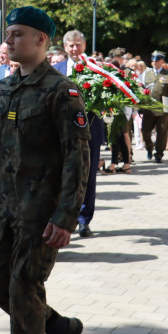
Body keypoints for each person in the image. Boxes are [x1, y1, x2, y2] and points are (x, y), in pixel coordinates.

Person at [0, 6, 89, 334]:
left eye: (18, 34)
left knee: (23, 286)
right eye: (8, 34)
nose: (9, 41)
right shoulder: (4, 89)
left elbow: (78, 159)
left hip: (40, 213)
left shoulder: (61, 91)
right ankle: (60, 327)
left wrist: (66, 216)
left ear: (41, 40)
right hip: (5, 210)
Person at [60, 30, 105, 237]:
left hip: (90, 128)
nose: (75, 49)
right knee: (61, 175)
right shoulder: (56, 69)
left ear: (85, 46)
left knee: (88, 175)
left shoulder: (96, 69)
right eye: (71, 45)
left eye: (78, 44)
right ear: (65, 47)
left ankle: (84, 219)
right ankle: (62, 218)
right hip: (61, 130)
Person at [141, 51, 168, 162]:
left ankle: (159, 153)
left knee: (162, 132)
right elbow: (142, 90)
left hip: (162, 107)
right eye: (153, 60)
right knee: (145, 131)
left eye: (157, 60)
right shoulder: (147, 73)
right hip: (148, 108)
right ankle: (149, 148)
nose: (155, 62)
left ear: (162, 61)